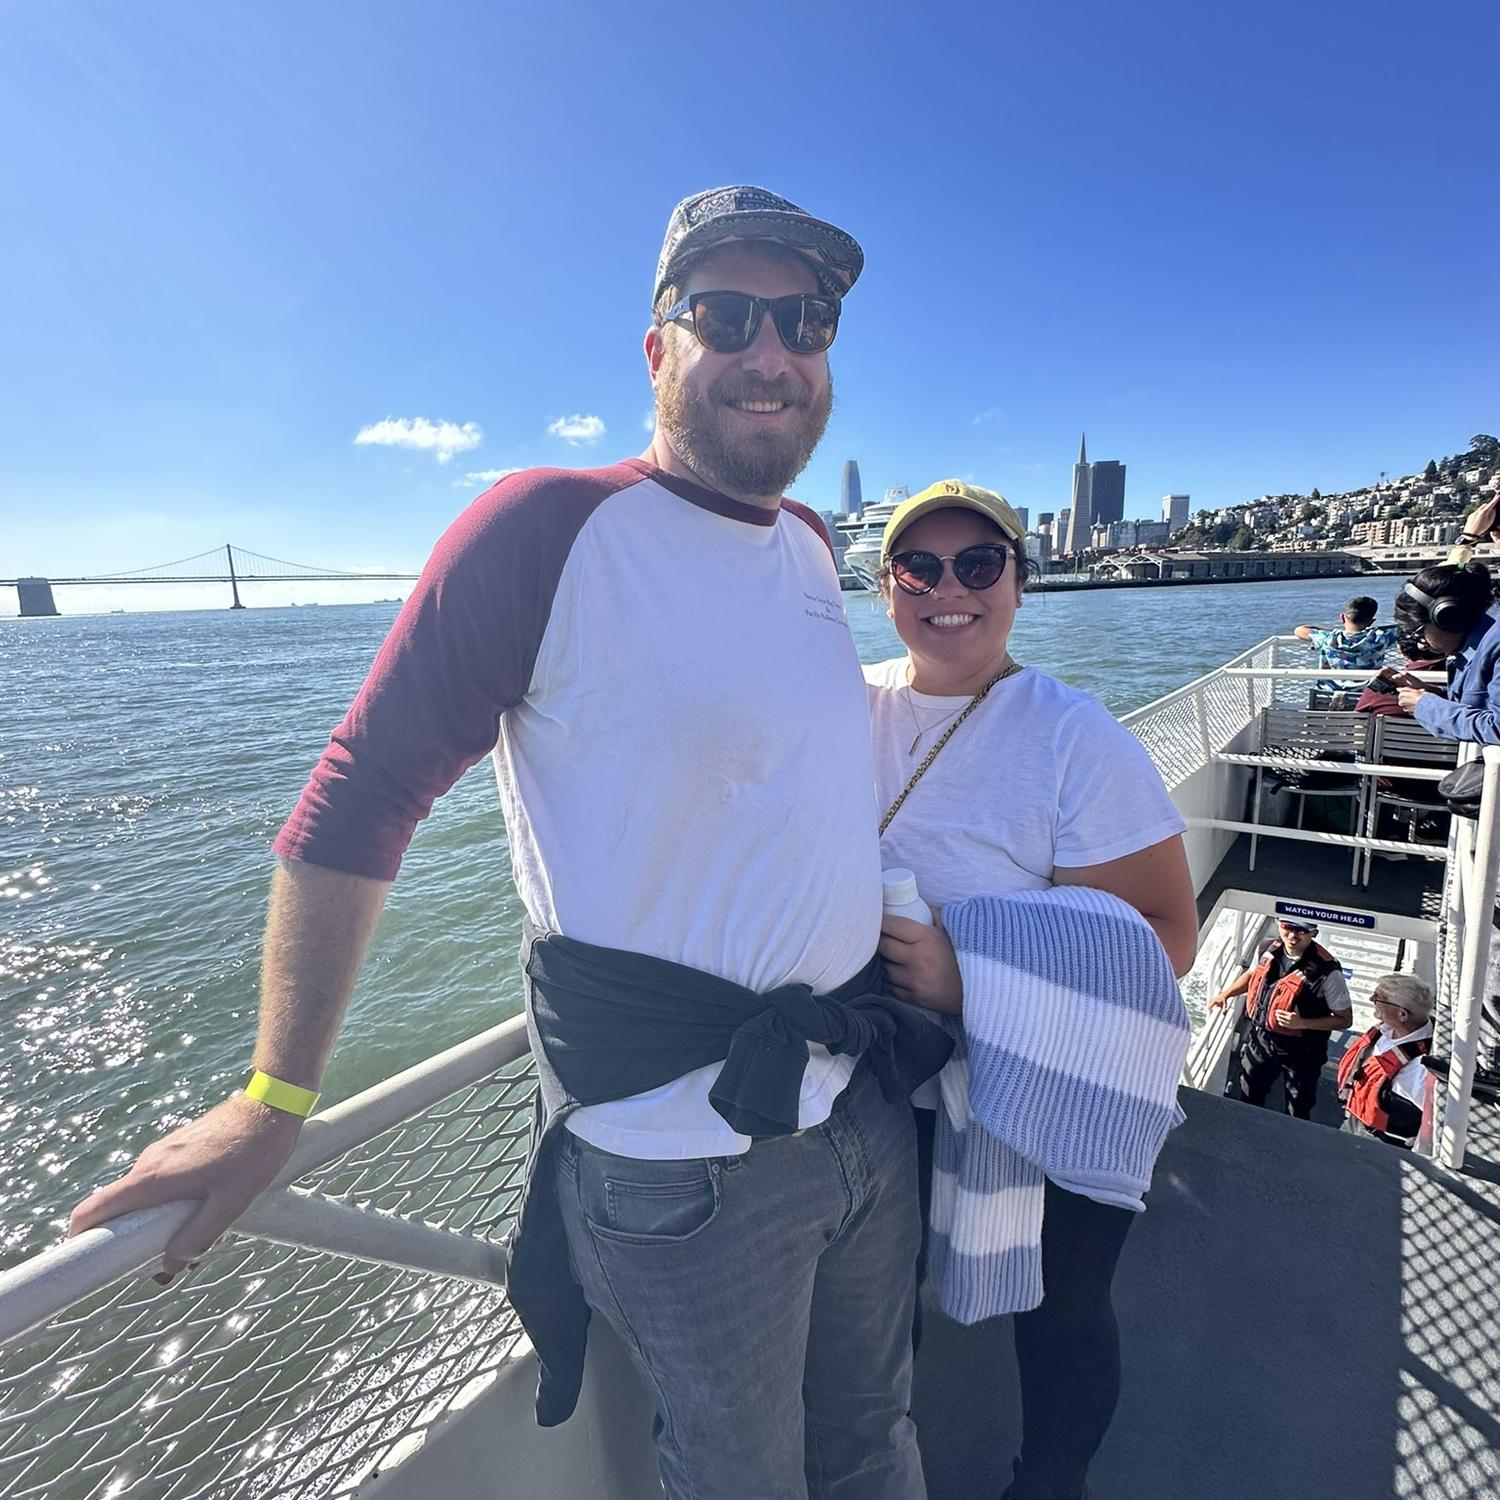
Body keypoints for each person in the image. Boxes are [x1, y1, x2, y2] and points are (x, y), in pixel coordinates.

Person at [67, 186, 950, 1500]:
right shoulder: (544, 528)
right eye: (728, 315)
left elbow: (796, 783)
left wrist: (898, 922)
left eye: (805, 321)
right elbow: (358, 800)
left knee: (878, 1437)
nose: (772, 353)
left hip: (861, 1102)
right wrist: (273, 1100)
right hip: (685, 1160)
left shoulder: (815, 548)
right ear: (660, 350)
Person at [866, 481, 1198, 1500]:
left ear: (1020, 580)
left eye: (979, 564)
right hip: (896, 1077)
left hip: (1062, 1078)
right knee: (881, 1302)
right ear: (887, 587)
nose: (948, 588)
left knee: (1061, 1308)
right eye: (920, 567)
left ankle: (1050, 1484)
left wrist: (974, 979)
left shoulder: (1072, 734)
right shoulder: (852, 704)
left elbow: (1167, 937)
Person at [1208, 918, 1353, 1119]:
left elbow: (1344, 1019)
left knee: (1298, 1105)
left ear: (1313, 934)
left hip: (1304, 1050)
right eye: (1288, 927)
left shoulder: (1328, 971)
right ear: (1279, 925)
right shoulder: (1266, 949)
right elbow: (1252, 976)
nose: (1293, 935)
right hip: (1262, 1039)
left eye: (1302, 930)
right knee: (1249, 1091)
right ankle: (1245, 1129)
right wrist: (1225, 994)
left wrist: (1302, 1023)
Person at [1336, 974, 1435, 1148]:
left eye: (1378, 998)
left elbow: (1432, 1114)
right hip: (1356, 1118)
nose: (1371, 1000)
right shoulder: (1387, 1030)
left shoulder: (1420, 1069)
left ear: (1402, 1014)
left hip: (1381, 1141)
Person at [1294, 596, 1399, 699]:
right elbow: (1406, 628)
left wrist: (1331, 631)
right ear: (1371, 621)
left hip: (1325, 698)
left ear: (1342, 617)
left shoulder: (1328, 638)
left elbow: (1299, 630)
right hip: (1363, 700)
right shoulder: (1380, 637)